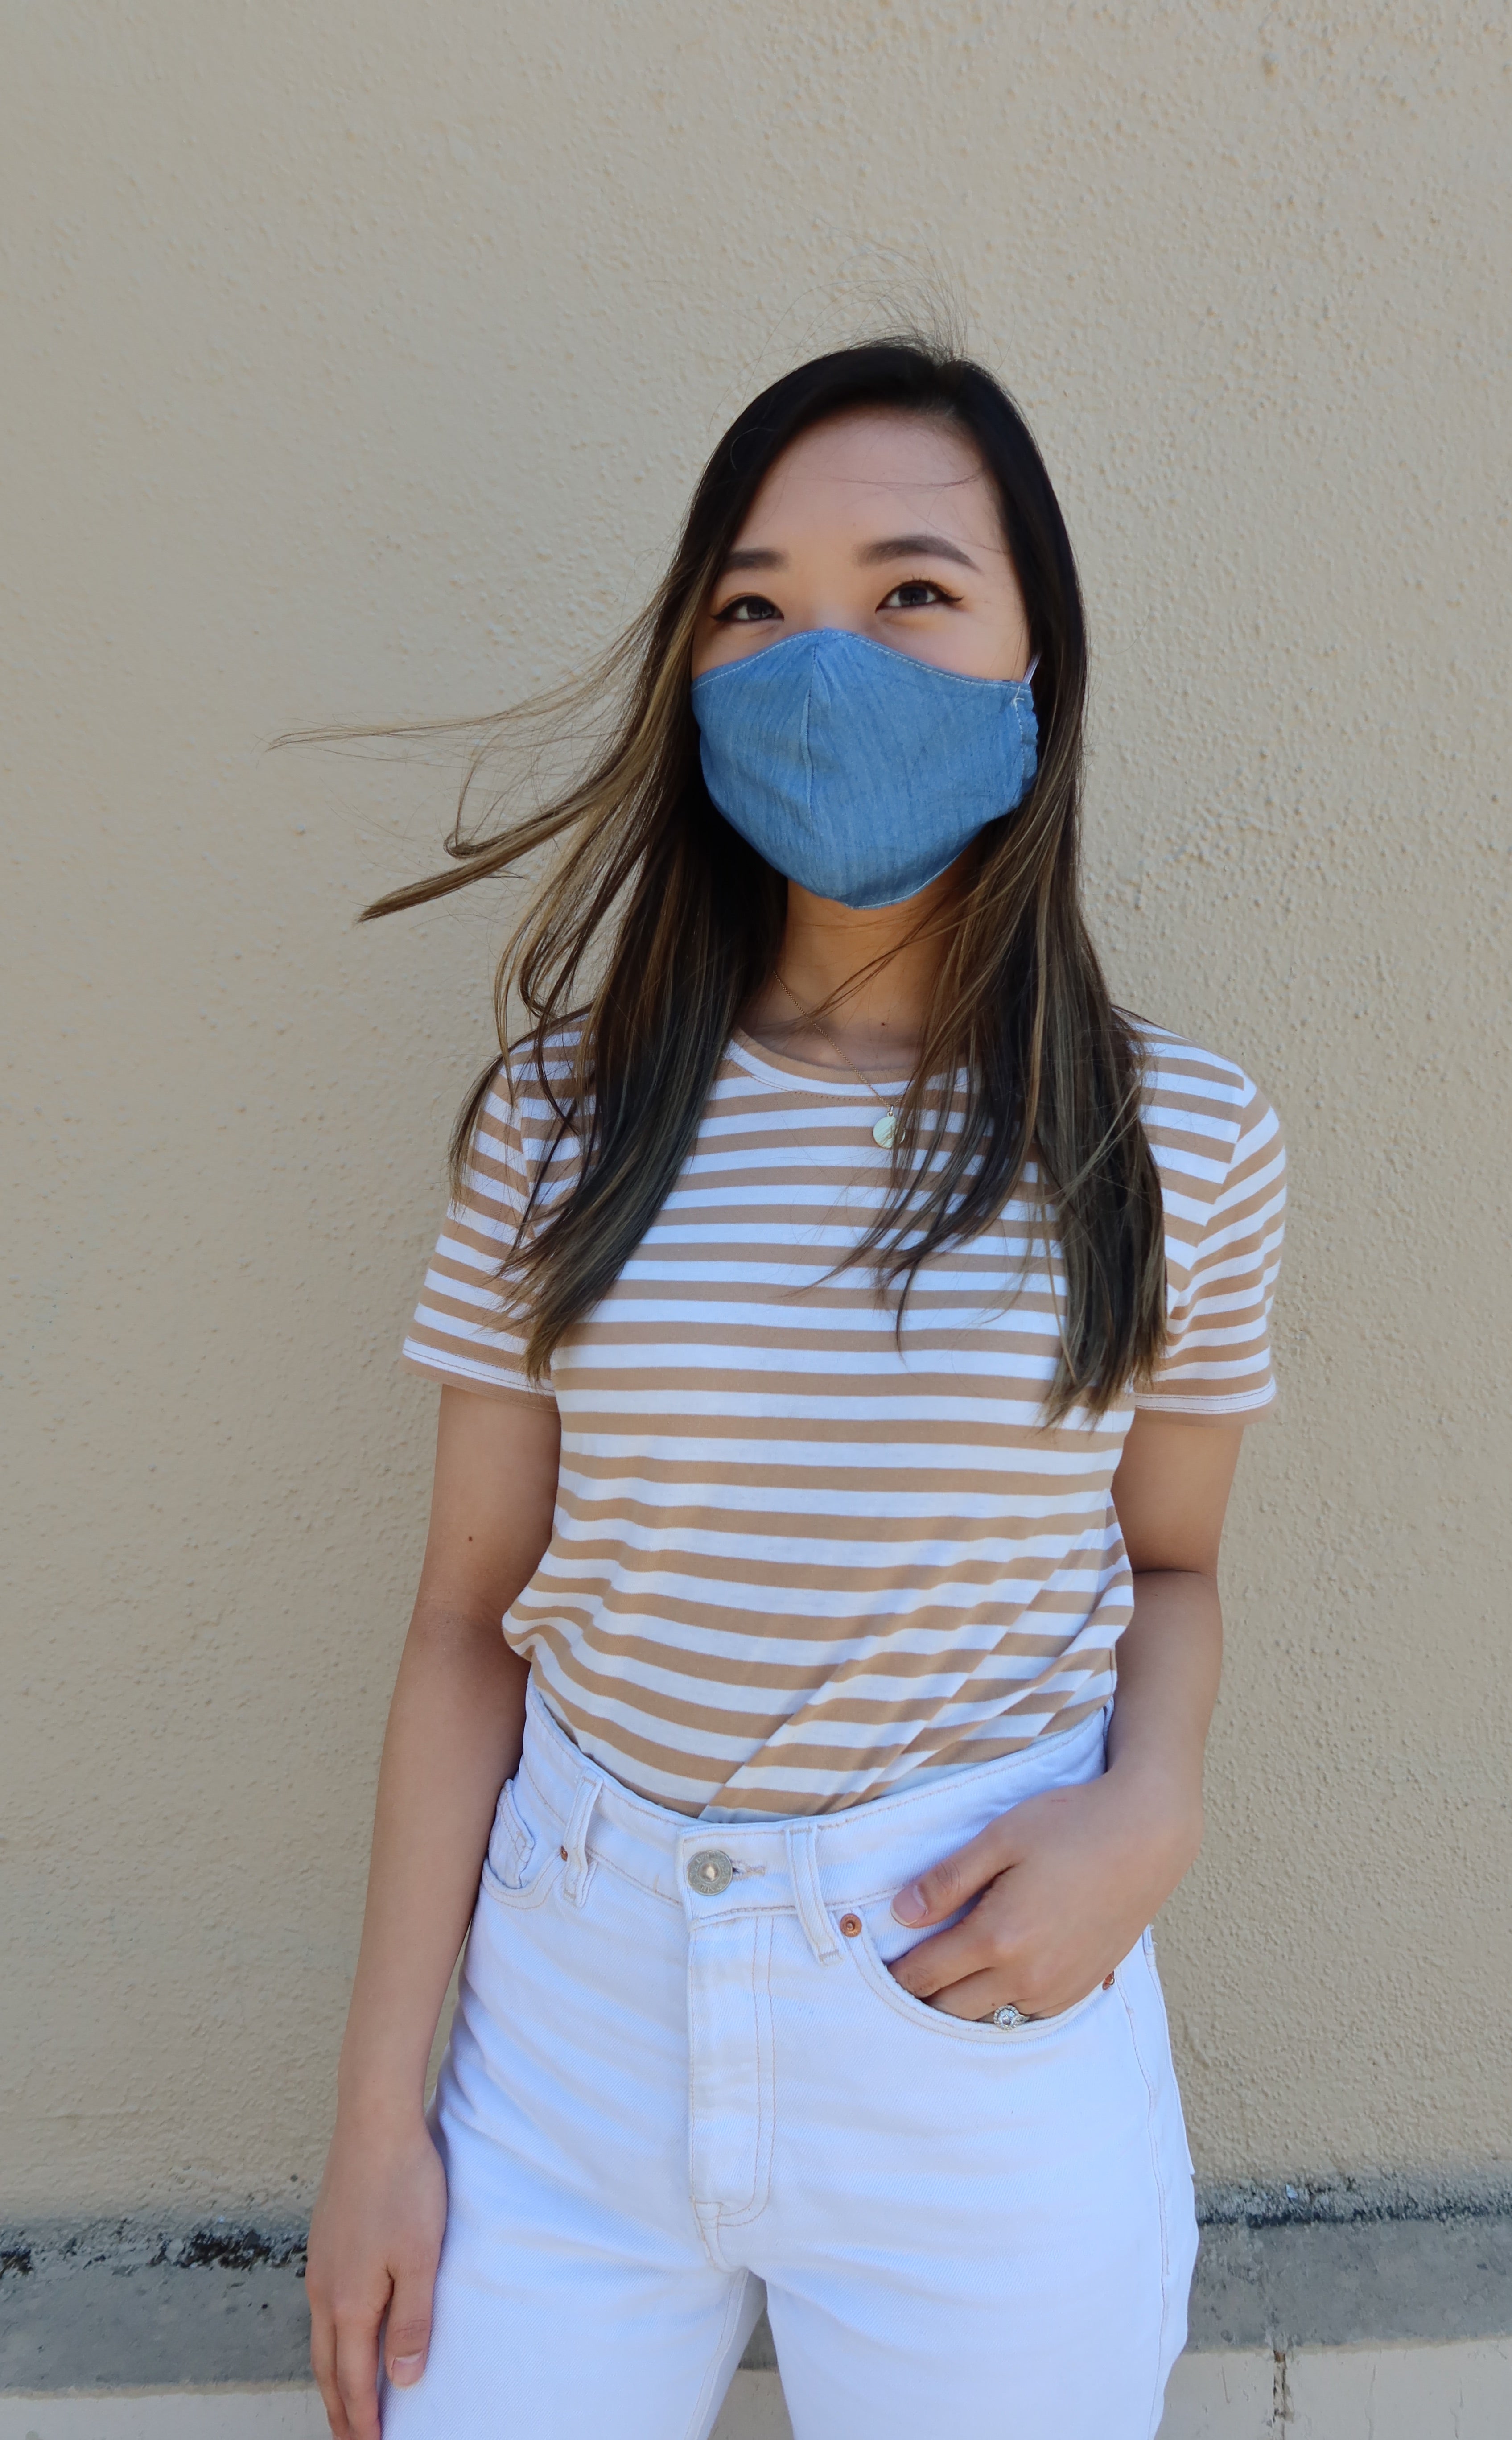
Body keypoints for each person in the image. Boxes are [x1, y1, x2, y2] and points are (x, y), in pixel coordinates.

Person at [304, 338, 1286, 2440]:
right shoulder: (564, 1120)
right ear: (692, 672)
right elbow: (467, 1621)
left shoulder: (1177, 1142)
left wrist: (1156, 1808)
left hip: (975, 2014)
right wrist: (379, 2121)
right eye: (754, 607)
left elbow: (1175, 1571)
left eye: (912, 591)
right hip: (568, 2022)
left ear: (1036, 664)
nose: (822, 666)